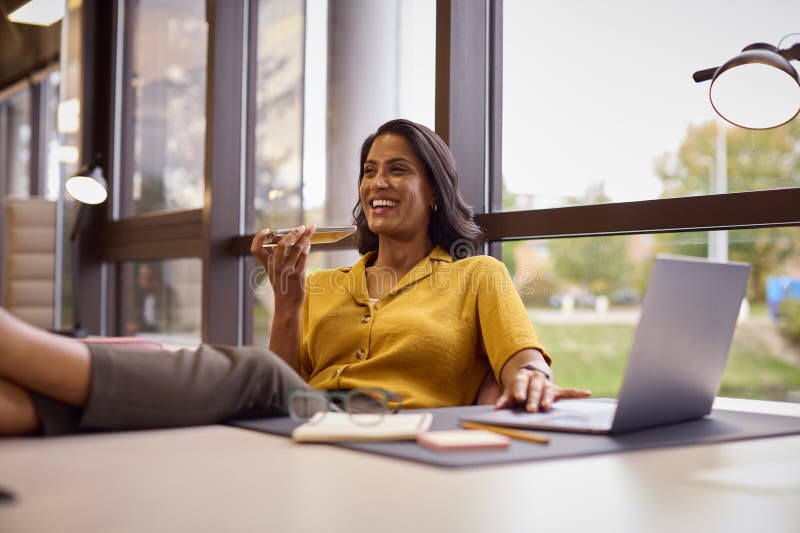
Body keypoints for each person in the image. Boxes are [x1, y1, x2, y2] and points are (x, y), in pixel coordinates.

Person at [0, 119, 588, 437]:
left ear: (433, 191)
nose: (377, 183)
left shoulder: (478, 275)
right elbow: (287, 387)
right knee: (210, 380)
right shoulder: (329, 285)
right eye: (368, 171)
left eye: (398, 170)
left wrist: (531, 377)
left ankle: (16, 342)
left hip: (385, 426)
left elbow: (522, 359)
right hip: (306, 422)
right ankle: (20, 401)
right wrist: (286, 304)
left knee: (246, 367)